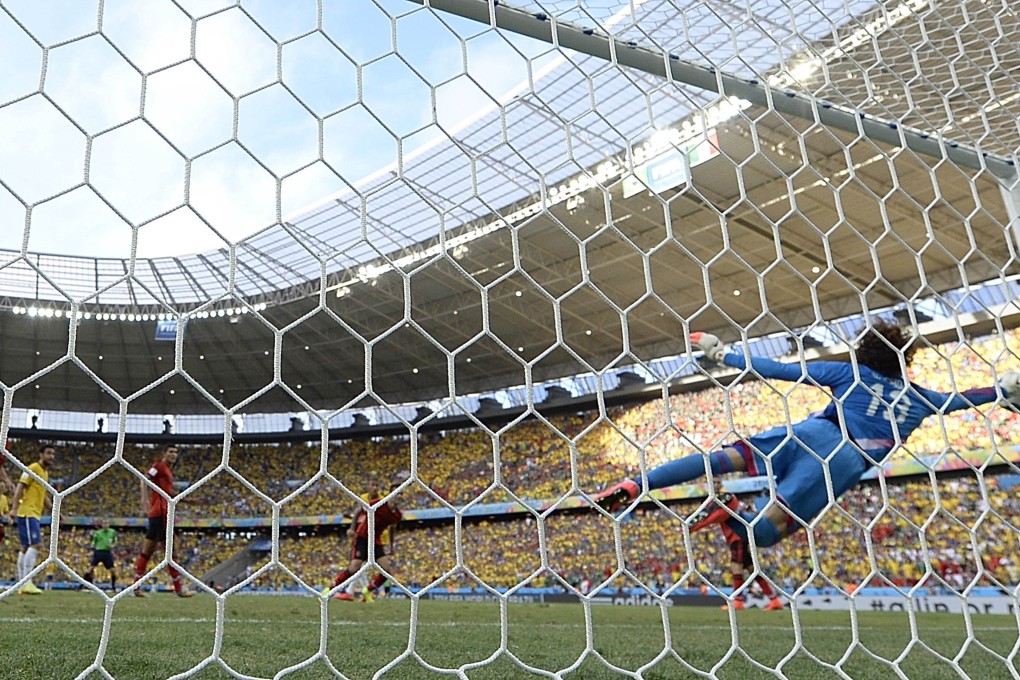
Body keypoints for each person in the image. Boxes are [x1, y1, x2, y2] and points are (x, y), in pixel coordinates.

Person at [596, 322, 1011, 551]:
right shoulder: (922, 398)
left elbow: (781, 371)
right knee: (762, 536)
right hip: (845, 462)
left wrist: (722, 353)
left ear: (864, 353)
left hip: (813, 431)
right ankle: (734, 512)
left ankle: (638, 483)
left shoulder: (851, 373)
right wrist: (1004, 391)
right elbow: (966, 398)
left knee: (722, 459)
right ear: (904, 359)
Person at [133, 445, 193, 598]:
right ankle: (179, 588)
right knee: (171, 552)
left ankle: (136, 586)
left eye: (176, 452)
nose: (174, 454)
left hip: (157, 514)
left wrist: (189, 500)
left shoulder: (166, 471)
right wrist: (144, 499)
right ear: (164, 453)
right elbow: (144, 479)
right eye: (171, 451)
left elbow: (168, 492)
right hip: (161, 513)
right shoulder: (159, 466)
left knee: (147, 552)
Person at [329, 487, 402, 602]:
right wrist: (352, 528)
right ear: (390, 494)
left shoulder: (397, 515)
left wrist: (391, 546)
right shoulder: (378, 504)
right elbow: (359, 511)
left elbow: (392, 528)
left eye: (401, 494)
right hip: (362, 537)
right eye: (397, 493)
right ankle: (330, 589)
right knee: (355, 567)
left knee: (386, 571)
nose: (399, 496)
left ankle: (367, 591)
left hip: (376, 541)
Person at [8, 444, 56, 595]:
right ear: (41, 454)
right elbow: (20, 487)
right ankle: (26, 582)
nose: (51, 457)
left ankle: (21, 583)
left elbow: (44, 496)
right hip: (28, 513)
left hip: (34, 513)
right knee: (35, 544)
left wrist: (54, 510)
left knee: (25, 547)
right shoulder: (33, 468)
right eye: (48, 453)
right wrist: (14, 508)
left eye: (53, 454)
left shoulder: (44, 473)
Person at [721, 526, 784, 611]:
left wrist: (698, 525)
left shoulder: (727, 512)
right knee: (754, 571)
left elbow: (717, 515)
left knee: (736, 567)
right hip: (741, 537)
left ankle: (737, 601)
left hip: (737, 538)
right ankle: (774, 600)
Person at [84, 519, 118, 592]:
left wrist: (112, 545)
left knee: (113, 571)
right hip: (99, 552)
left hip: (107, 553)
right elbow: (93, 542)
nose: (105, 525)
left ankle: (113, 587)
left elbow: (115, 541)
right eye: (104, 523)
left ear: (109, 524)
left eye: (107, 523)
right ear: (102, 525)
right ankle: (82, 585)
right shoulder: (98, 533)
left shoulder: (112, 532)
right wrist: (92, 546)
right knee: (90, 568)